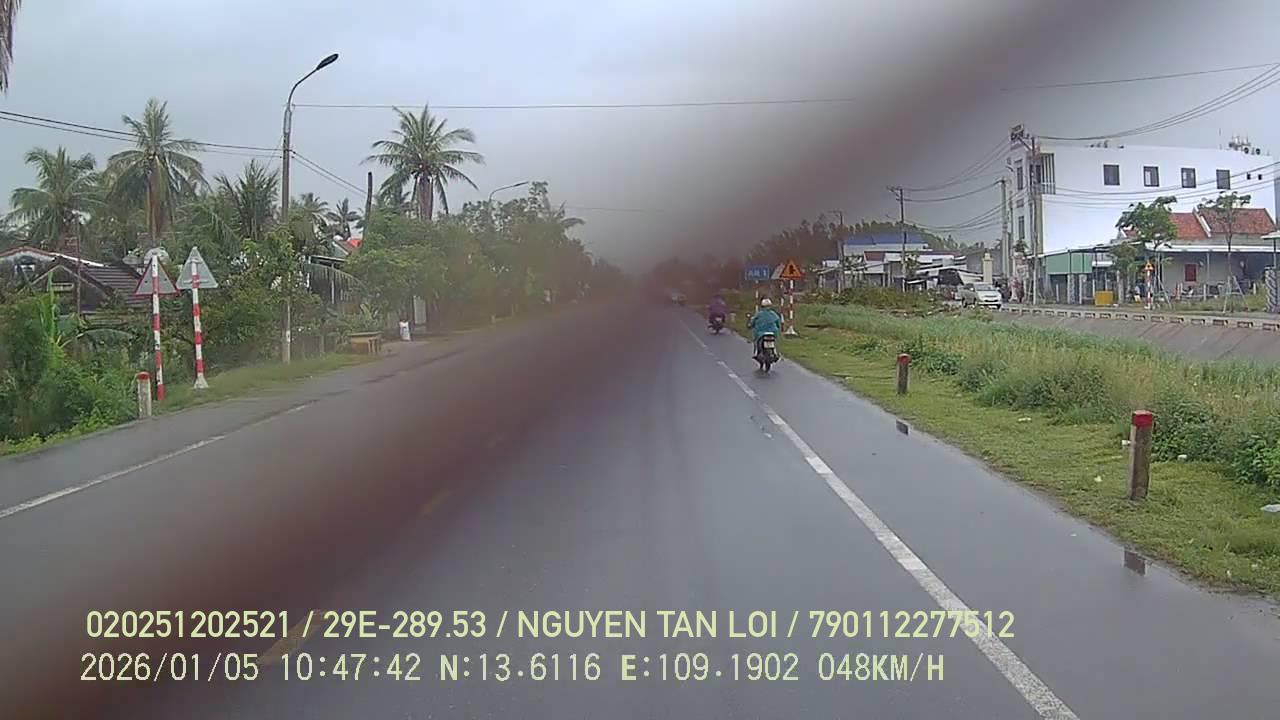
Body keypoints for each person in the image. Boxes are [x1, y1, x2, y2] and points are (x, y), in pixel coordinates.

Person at [748, 298, 783, 365]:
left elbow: (752, 322)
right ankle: (776, 353)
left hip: (761, 334)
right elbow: (778, 323)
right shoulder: (774, 314)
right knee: (775, 343)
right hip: (773, 333)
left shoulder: (759, 314)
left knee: (757, 342)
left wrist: (750, 325)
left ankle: (757, 353)